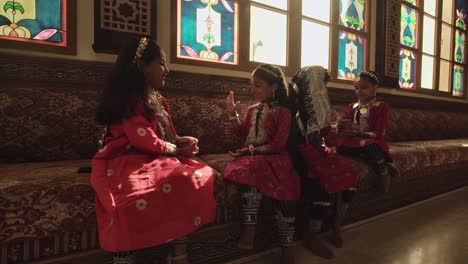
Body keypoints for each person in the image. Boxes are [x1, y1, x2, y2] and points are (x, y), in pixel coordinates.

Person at [91, 37, 216, 264]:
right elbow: (144, 140)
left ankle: (179, 254)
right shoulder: (129, 100)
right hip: (126, 157)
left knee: (188, 176)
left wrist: (181, 141)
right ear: (141, 66)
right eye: (160, 62)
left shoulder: (157, 99)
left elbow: (164, 136)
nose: (166, 69)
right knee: (126, 200)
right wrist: (176, 150)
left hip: (153, 156)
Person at [224, 64, 301, 264]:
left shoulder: (283, 112)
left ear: (274, 86)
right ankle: (250, 228)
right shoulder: (251, 109)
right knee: (250, 166)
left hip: (276, 158)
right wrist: (234, 115)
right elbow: (242, 135)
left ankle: (287, 246)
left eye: (258, 85)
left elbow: (278, 144)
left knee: (285, 189)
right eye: (252, 85)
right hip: (251, 157)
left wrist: (252, 150)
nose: (253, 90)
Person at [289, 66, 358, 259]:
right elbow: (296, 143)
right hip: (298, 157)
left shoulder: (320, 108)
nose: (322, 91)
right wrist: (319, 153)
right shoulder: (293, 111)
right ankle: (312, 234)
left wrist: (334, 141)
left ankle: (336, 224)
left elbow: (326, 134)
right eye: (320, 85)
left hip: (317, 153)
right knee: (322, 184)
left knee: (350, 177)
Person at [336, 70, 399, 193]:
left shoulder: (381, 107)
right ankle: (385, 163)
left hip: (371, 140)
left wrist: (362, 134)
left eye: (364, 88)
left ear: (375, 88)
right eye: (356, 88)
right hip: (355, 141)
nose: (359, 91)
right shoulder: (352, 106)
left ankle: (383, 172)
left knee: (370, 146)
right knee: (339, 146)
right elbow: (347, 125)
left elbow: (380, 132)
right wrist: (342, 126)